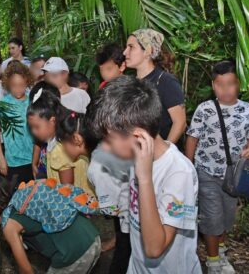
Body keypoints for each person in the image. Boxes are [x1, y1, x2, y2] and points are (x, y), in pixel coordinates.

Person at [87, 75, 201, 273]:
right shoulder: (135, 157)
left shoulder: (178, 172)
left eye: (109, 139)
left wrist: (145, 178)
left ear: (138, 136)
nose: (106, 147)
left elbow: (155, 248)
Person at [185, 60, 249, 274]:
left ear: (238, 84)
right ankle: (213, 262)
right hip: (206, 172)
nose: (225, 89)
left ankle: (221, 251)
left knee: (226, 218)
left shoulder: (248, 110)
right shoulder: (205, 109)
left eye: (230, 84)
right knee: (212, 218)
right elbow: (192, 138)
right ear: (213, 85)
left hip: (232, 176)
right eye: (220, 84)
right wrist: (188, 168)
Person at [0, 173, 101, 274]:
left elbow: (26, 269)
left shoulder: (8, 224)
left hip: (74, 253)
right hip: (92, 237)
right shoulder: (22, 197)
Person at [57, 111, 132, 272]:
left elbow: (111, 208)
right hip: (130, 210)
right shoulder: (102, 148)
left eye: (63, 143)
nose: (63, 148)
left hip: (131, 217)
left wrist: (86, 204)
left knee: (123, 260)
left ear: (76, 139)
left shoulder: (97, 166)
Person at [123, 29, 186, 145]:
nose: (125, 52)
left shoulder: (166, 81)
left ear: (147, 51)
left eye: (131, 47)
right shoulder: (130, 83)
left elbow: (180, 122)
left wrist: (165, 153)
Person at [27, 87, 93, 195]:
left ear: (52, 121)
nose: (34, 132)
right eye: (31, 127)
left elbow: (67, 190)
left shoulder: (58, 149)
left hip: (78, 204)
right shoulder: (61, 138)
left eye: (37, 127)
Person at [0, 60, 35, 187]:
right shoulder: (2, 105)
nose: (18, 89)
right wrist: (1, 158)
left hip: (33, 159)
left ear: (27, 82)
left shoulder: (33, 102)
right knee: (15, 196)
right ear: (7, 84)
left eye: (21, 85)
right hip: (13, 161)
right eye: (14, 85)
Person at [29, 82, 60, 179]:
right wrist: (34, 163)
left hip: (56, 168)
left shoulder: (60, 124)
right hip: (43, 166)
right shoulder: (38, 119)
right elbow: (37, 141)